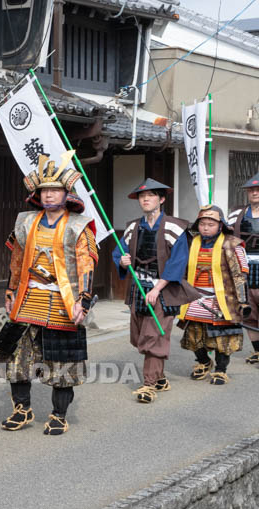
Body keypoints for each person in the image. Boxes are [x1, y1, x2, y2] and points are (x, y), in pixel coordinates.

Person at [0, 152, 97, 436]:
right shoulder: (25, 222)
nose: (49, 195)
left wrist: (83, 302)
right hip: (28, 296)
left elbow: (86, 264)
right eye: (45, 190)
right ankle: (22, 409)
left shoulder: (78, 226)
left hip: (64, 300)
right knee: (15, 356)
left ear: (66, 193)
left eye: (55, 190)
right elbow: (16, 259)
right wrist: (10, 289)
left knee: (62, 362)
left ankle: (59, 414)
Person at [149, 205, 250, 386]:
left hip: (223, 299)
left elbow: (239, 275)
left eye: (210, 224)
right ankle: (204, 362)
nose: (205, 227)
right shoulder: (191, 242)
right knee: (194, 335)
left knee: (222, 337)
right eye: (202, 223)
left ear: (220, 225)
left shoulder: (232, 244)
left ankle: (221, 370)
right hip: (195, 297)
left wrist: (242, 301)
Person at [111, 179, 190, 403]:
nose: (145, 199)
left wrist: (158, 288)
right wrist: (123, 261)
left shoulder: (175, 227)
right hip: (138, 288)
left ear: (161, 199)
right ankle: (160, 377)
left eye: (151, 195)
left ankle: (148, 385)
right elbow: (119, 252)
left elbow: (178, 261)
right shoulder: (133, 227)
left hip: (163, 289)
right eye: (142, 196)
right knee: (139, 337)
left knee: (153, 335)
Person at [228, 171, 259, 365]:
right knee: (249, 313)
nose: (255, 193)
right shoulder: (236, 214)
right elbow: (226, 237)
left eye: (258, 190)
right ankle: (257, 351)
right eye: (251, 190)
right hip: (243, 269)